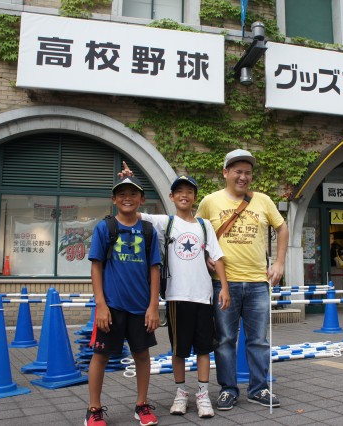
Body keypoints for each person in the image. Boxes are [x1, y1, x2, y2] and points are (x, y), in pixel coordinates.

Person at [197, 149, 289, 411]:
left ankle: (259, 389)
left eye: (247, 172)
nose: (243, 177)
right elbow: (197, 233)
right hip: (223, 283)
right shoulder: (209, 201)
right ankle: (228, 389)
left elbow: (282, 228)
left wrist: (280, 262)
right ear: (225, 173)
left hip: (259, 283)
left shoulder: (263, 201)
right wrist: (204, 257)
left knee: (258, 339)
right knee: (225, 339)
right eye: (237, 171)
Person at [138, 174, 231, 418]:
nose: (184, 195)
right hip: (176, 296)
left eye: (189, 191)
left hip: (203, 295)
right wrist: (132, 182)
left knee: (203, 349)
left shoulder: (204, 225)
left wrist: (224, 287)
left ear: (194, 197)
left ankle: (202, 394)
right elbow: (133, 212)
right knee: (178, 350)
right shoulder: (164, 223)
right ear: (171, 196)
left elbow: (218, 256)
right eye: (179, 191)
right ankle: (180, 393)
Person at [85, 176, 161, 426]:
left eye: (133, 194)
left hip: (141, 307)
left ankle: (142, 404)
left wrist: (153, 306)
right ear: (114, 199)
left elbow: (154, 270)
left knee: (142, 355)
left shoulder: (148, 230)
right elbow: (97, 267)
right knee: (101, 355)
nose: (127, 198)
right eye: (122, 194)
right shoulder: (104, 228)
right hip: (112, 306)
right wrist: (101, 305)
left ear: (141, 199)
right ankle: (94, 409)